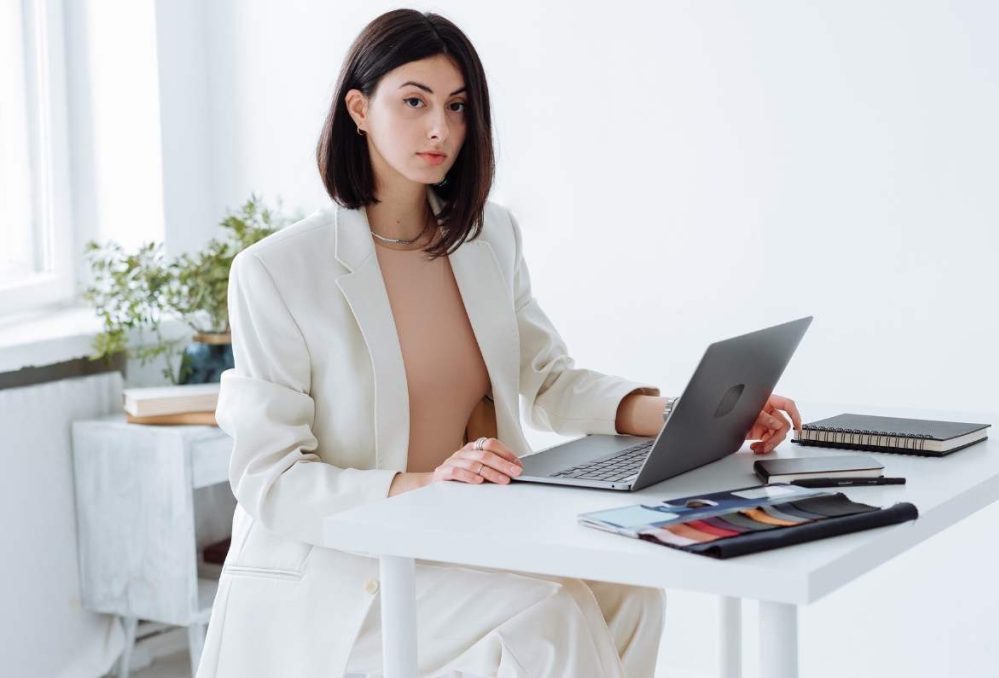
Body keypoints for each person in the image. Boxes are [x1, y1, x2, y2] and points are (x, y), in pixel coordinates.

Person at [196, 9, 802, 678]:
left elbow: (545, 378)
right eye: (415, 102)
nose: (440, 129)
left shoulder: (486, 236)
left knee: (633, 592)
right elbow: (269, 477)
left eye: (457, 107)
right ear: (359, 110)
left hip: (467, 530)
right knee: (549, 614)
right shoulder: (278, 271)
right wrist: (425, 483)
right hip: (347, 562)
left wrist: (686, 412)